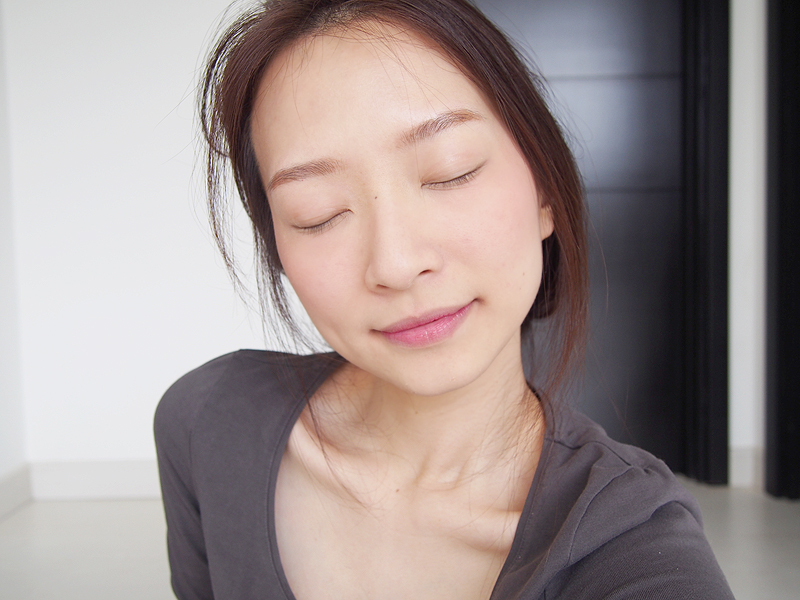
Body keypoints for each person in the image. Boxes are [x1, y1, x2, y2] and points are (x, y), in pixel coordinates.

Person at [155, 1, 735, 598]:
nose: (396, 264)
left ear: (544, 189)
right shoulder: (207, 423)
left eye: (450, 172)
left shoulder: (630, 544)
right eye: (317, 214)